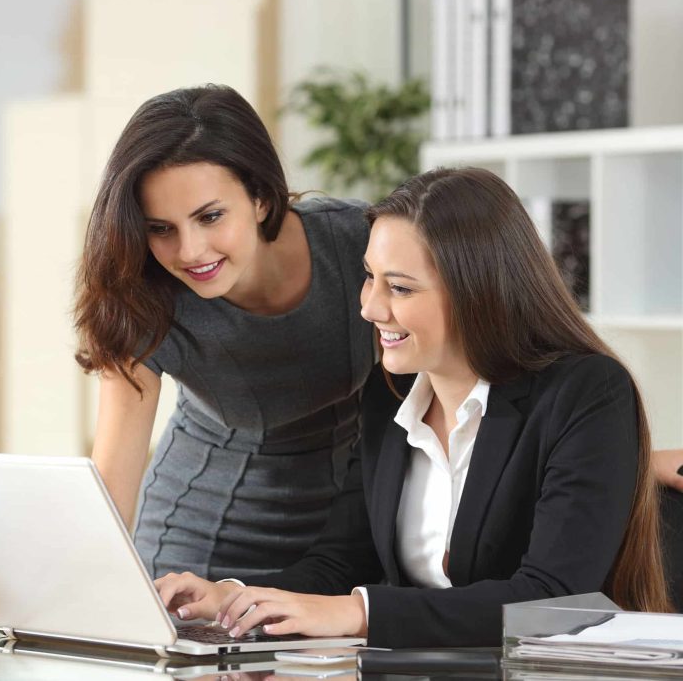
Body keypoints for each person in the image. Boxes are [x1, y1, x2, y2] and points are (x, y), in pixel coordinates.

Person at [154, 167, 672, 648]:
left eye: (399, 287)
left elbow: (552, 599)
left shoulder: (586, 391)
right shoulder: (390, 394)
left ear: (478, 292)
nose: (369, 307)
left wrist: (361, 613)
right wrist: (232, 598)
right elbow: (340, 562)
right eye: (369, 277)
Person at [73, 84, 374, 581]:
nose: (190, 251)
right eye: (160, 228)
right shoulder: (144, 298)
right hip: (197, 551)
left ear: (260, 197)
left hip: (344, 545)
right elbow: (110, 489)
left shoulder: (358, 243)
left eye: (210, 216)